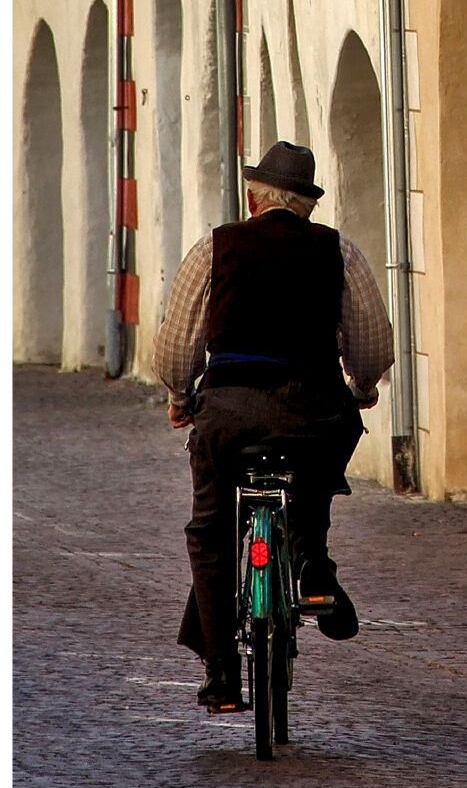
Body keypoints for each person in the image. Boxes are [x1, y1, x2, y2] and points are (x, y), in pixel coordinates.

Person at [153, 141, 394, 711]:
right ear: (306, 205)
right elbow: (373, 342)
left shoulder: (217, 246)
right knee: (315, 476)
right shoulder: (339, 250)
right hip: (313, 409)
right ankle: (312, 562)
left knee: (211, 530)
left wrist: (179, 394)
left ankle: (220, 673)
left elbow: (177, 339)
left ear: (253, 197)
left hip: (230, 411)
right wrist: (360, 389)